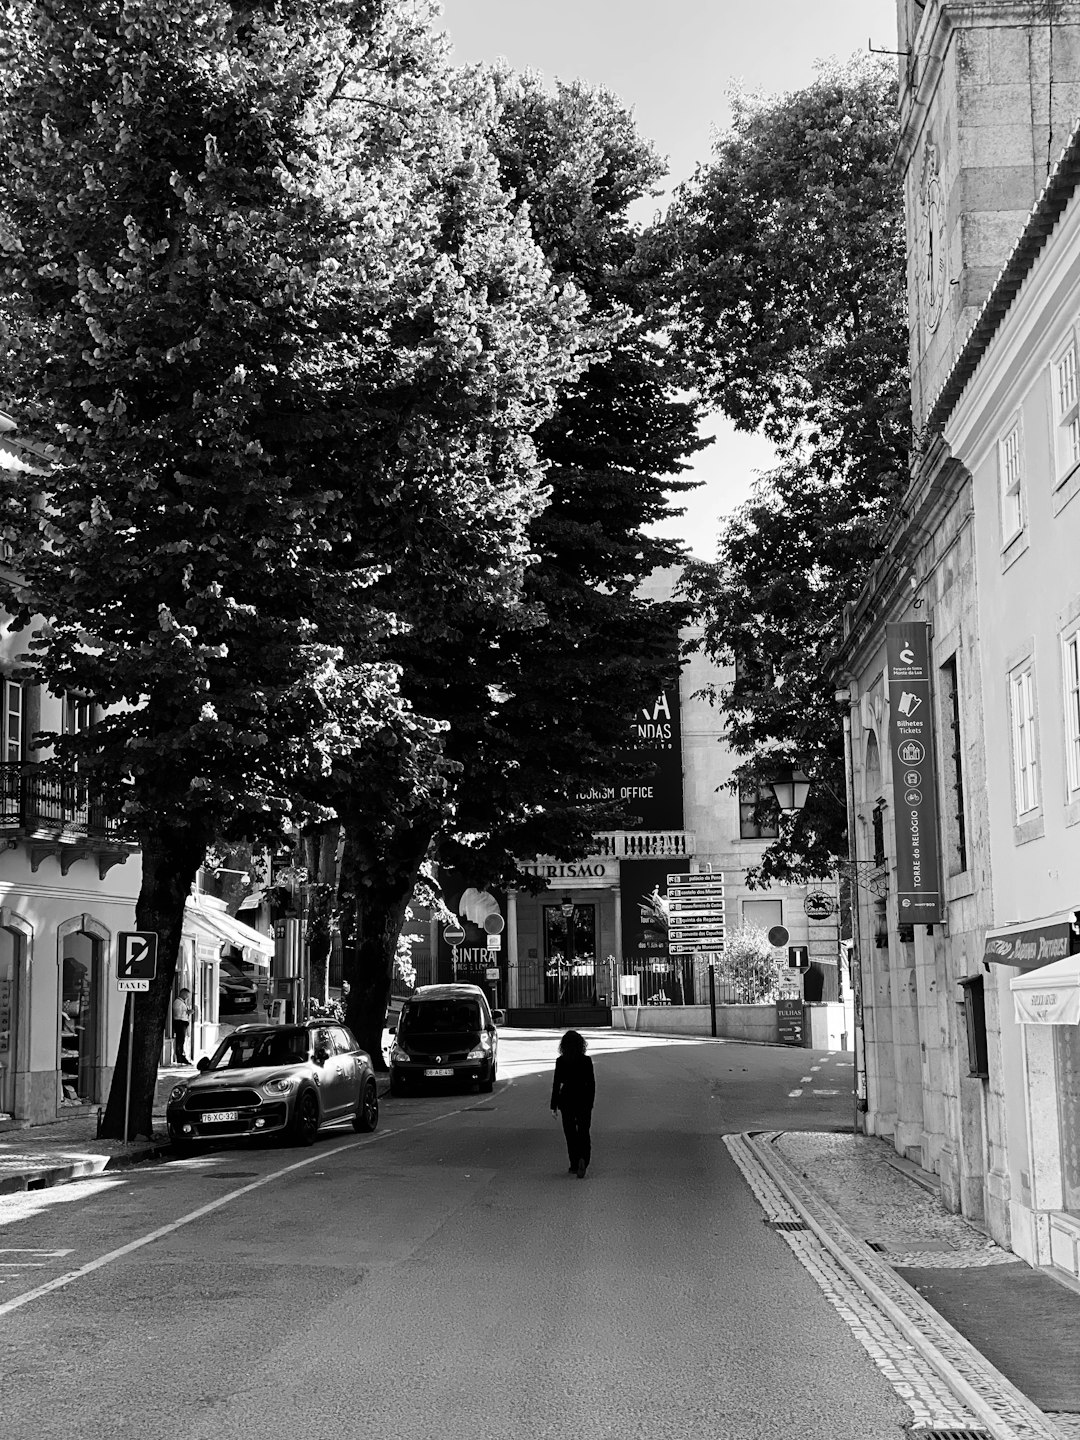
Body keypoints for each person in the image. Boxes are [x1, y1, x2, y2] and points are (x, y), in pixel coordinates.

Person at [550, 1029, 595, 1179]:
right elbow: (592, 1084)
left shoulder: (561, 1061)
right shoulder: (586, 1061)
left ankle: (574, 1164)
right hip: (583, 1100)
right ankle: (584, 1159)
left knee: (570, 1133)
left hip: (567, 1101)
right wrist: (590, 1103)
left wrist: (553, 1105)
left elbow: (557, 1084)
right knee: (584, 1131)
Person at [172, 988, 193, 1066]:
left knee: (182, 1040)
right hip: (180, 1022)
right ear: (183, 994)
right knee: (180, 1040)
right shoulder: (178, 1002)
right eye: (186, 995)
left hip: (182, 1022)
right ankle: (180, 1057)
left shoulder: (182, 1002)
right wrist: (187, 1012)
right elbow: (177, 1014)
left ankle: (181, 1056)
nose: (187, 997)